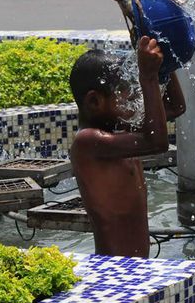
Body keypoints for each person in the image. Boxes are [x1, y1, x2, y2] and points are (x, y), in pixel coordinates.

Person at [69, 37, 186, 258]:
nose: (133, 97)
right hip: (114, 267)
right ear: (95, 101)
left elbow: (175, 106)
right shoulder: (88, 142)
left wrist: (164, 61)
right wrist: (148, 77)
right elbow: (156, 142)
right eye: (124, 92)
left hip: (135, 267)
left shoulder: (118, 129)